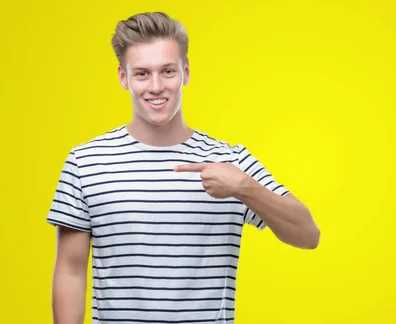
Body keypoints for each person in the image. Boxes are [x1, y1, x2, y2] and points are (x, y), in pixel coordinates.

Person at [47, 11, 320, 324]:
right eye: (142, 74)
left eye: (167, 71)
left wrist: (244, 188)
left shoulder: (229, 161)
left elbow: (307, 235)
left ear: (186, 72)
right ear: (123, 77)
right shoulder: (86, 161)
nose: (156, 86)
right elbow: (70, 270)